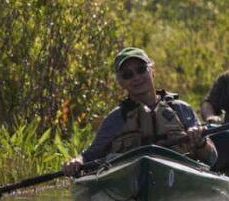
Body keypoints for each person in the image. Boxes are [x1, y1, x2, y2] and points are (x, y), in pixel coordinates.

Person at [63, 47, 216, 176]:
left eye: (141, 70)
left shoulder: (181, 109)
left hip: (178, 176)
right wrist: (77, 161)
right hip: (131, 181)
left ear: (152, 70)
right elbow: (88, 156)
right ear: (120, 82)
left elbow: (211, 158)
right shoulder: (116, 119)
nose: (136, 77)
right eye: (127, 75)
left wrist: (200, 141)